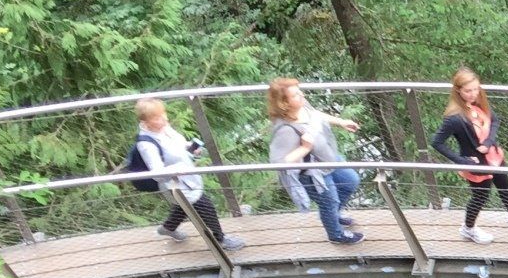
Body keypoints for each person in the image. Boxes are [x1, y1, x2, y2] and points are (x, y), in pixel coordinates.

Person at [432, 67, 508, 244]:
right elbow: (436, 142)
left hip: (494, 157)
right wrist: (461, 161)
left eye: (476, 89)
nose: (473, 94)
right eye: (468, 91)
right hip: (476, 164)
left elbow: (494, 121)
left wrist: (489, 142)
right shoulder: (454, 118)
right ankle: (468, 229)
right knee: (481, 196)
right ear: (458, 91)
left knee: (505, 186)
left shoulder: (478, 104)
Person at [135, 98, 246, 251]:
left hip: (188, 178)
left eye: (163, 114)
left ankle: (168, 227)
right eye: (157, 117)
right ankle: (221, 239)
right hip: (175, 184)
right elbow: (157, 173)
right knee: (205, 205)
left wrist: (191, 148)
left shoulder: (163, 127)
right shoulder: (146, 144)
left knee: (184, 207)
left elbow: (178, 146)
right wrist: (176, 169)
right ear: (146, 121)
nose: (164, 119)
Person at [266, 78, 363, 245]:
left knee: (350, 181)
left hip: (330, 159)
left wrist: (341, 122)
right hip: (313, 174)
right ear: (284, 104)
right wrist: (304, 148)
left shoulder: (302, 106)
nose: (302, 95)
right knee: (329, 201)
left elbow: (315, 115)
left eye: (299, 91)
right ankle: (336, 235)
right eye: (295, 95)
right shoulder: (285, 130)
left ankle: (334, 214)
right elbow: (279, 162)